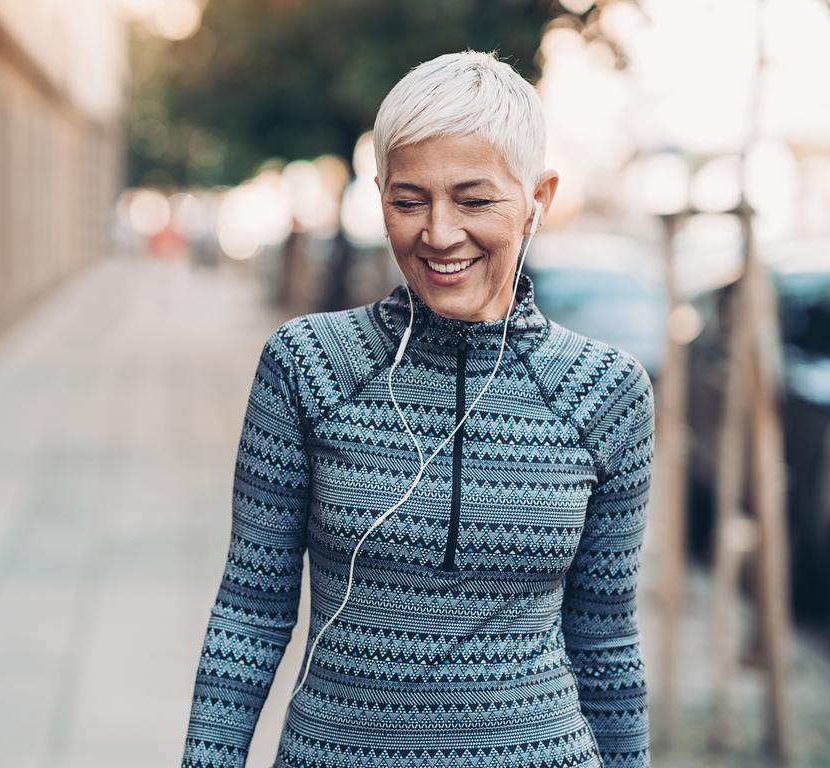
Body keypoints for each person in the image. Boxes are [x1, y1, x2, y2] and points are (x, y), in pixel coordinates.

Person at [181, 50, 653, 768]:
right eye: (409, 200)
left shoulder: (605, 389)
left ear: (538, 199)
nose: (438, 233)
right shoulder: (309, 364)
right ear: (380, 197)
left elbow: (606, 640)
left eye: (474, 200)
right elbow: (251, 609)